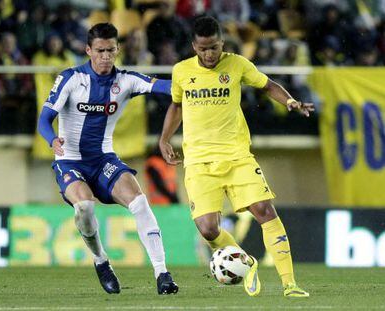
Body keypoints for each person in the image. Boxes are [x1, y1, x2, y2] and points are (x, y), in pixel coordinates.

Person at [159, 16, 313, 298]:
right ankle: (246, 261)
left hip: (237, 156)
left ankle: (289, 284)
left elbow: (267, 85)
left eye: (215, 47)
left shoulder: (238, 64)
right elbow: (176, 106)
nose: (209, 54)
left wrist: (290, 101)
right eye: (204, 49)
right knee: (207, 229)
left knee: (265, 211)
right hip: (199, 162)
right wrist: (164, 138)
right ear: (194, 46)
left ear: (222, 43)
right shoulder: (181, 71)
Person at [37, 23, 179, 295]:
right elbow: (44, 119)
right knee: (85, 208)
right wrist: (52, 139)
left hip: (104, 160)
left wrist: (197, 80)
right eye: (99, 50)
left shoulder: (126, 80)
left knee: (139, 201)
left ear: (117, 50)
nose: (105, 56)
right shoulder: (70, 78)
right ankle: (101, 261)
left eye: (110, 50)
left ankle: (162, 273)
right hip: (70, 161)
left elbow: (167, 87)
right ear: (88, 50)